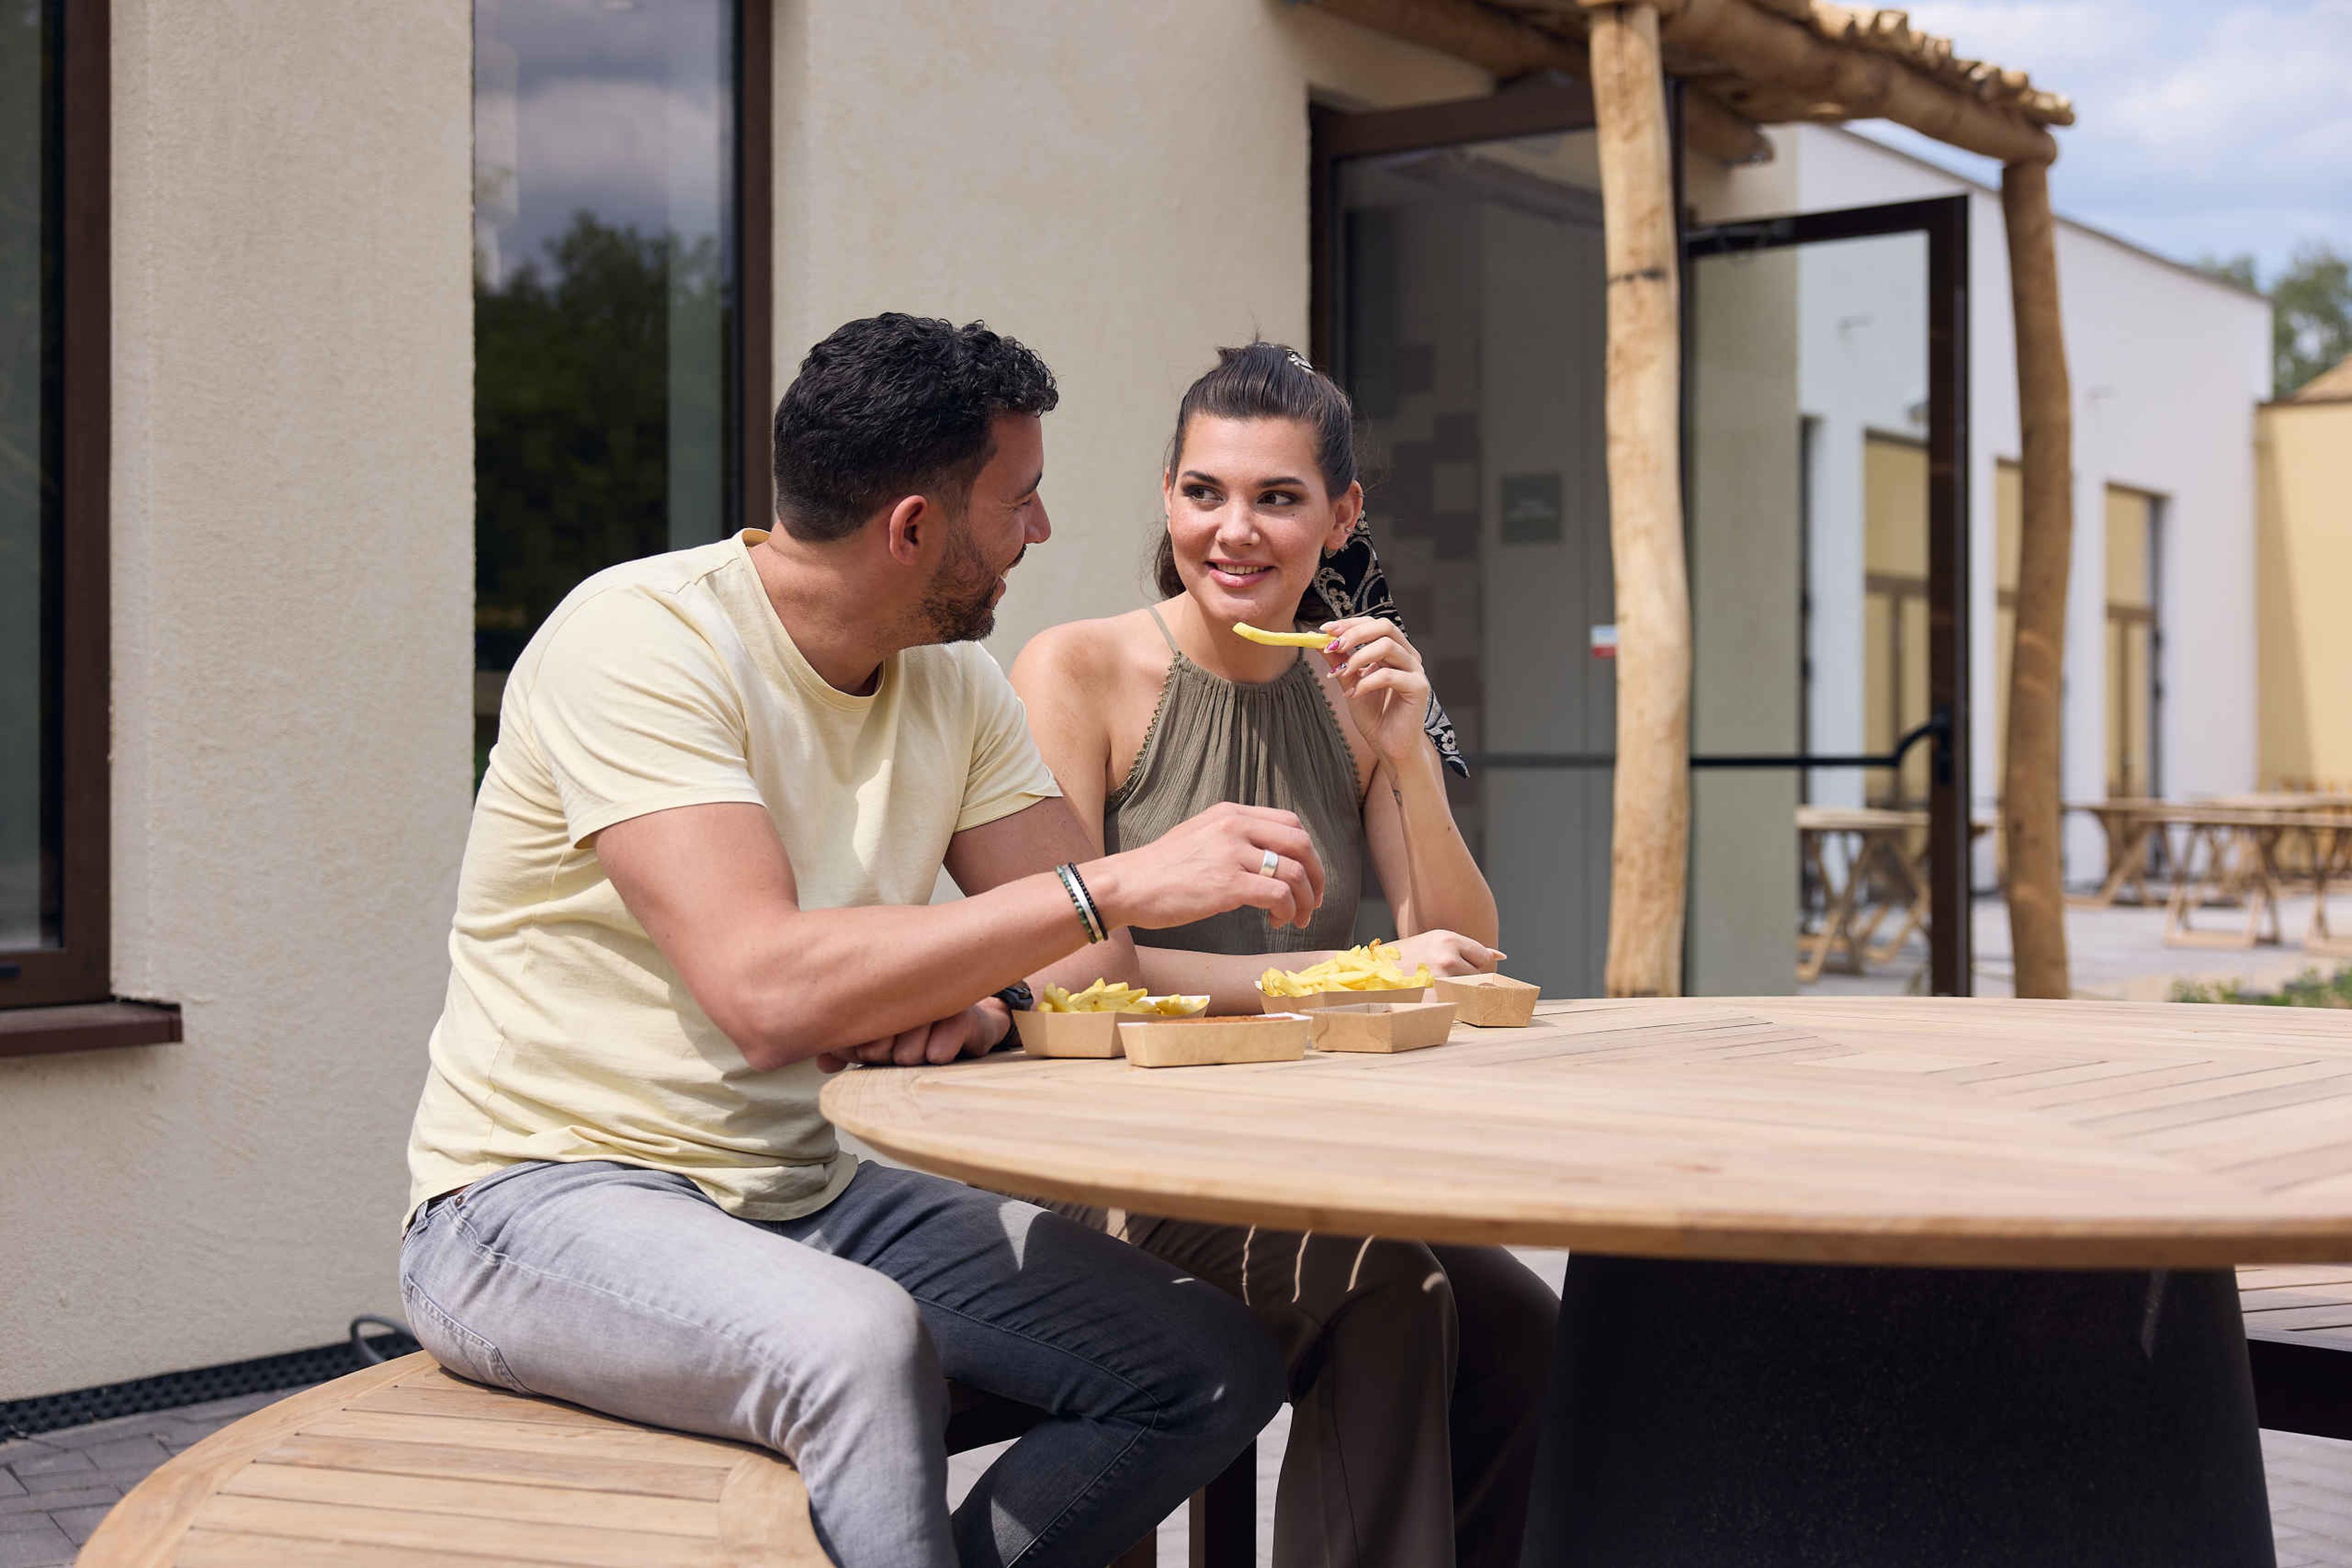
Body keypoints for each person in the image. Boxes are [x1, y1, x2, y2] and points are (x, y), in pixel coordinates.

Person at [400, 314, 1318, 1568]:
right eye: (1022, 499)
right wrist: (1107, 881)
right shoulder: (642, 643)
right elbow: (768, 992)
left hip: (808, 1195)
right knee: (858, 1346)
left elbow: (1081, 971)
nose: (1039, 534)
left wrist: (993, 994)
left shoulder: (954, 684)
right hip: (533, 1200)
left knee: (1206, 1368)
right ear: (914, 529)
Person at [1009, 342, 1559, 1568]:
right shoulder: (1080, 669)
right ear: (1166, 497)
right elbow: (1072, 978)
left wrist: (1410, 752)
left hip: (1315, 1161)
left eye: (1278, 498)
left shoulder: (1354, 689)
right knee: (1394, 1298)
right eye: (1205, 493)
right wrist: (1336, 973)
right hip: (1129, 1171)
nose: (1235, 531)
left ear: (1343, 514)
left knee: (1524, 1325)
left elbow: (1460, 945)